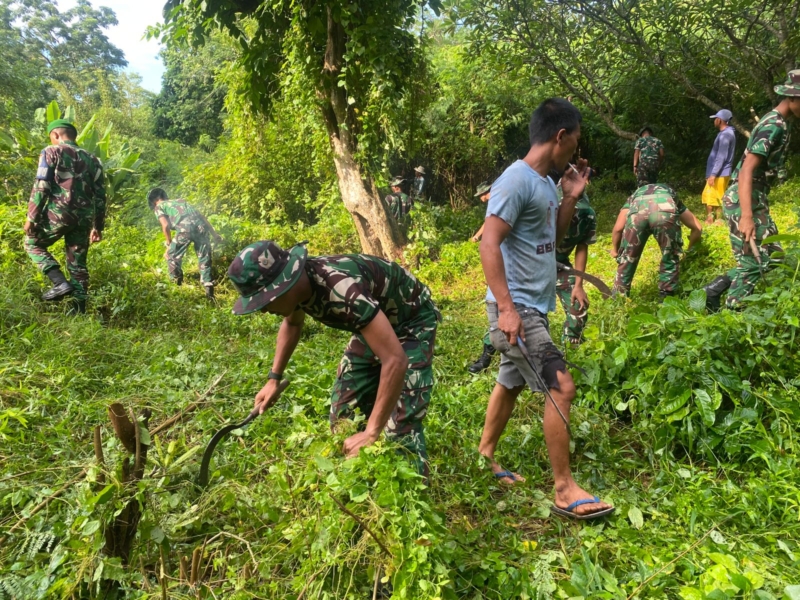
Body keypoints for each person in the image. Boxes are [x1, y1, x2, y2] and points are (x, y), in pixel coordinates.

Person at [478, 97, 614, 520]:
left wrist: (570, 197)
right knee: (561, 387)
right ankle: (564, 489)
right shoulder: (515, 180)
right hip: (517, 309)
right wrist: (506, 307)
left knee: (512, 382)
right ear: (560, 137)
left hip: (533, 305)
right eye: (573, 143)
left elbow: (550, 237)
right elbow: (489, 242)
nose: (574, 152)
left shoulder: (545, 184)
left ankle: (486, 454)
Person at [228, 241, 441, 476]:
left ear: (284, 285)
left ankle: (409, 493)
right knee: (343, 418)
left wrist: (372, 432)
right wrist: (273, 379)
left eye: (264, 301)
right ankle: (363, 474)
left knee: (399, 431)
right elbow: (292, 322)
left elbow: (395, 361)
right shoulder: (300, 285)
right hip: (371, 324)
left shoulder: (342, 291)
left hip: (410, 320)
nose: (263, 309)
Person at [703, 71, 800, 311]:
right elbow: (747, 171)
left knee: (775, 256)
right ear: (793, 98)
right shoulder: (773, 126)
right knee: (752, 262)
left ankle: (714, 289)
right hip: (743, 197)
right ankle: (732, 316)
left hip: (755, 196)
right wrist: (746, 216)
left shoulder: (779, 122)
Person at [23, 118, 107, 315]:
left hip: (58, 213)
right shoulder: (94, 160)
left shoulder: (51, 151)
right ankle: (78, 311)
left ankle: (59, 282)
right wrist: (98, 226)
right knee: (78, 264)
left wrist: (32, 217)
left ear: (56, 135)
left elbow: (41, 186)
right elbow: (101, 196)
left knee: (31, 243)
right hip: (83, 219)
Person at [611, 184, 702, 299]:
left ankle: (618, 297)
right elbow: (697, 228)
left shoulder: (635, 195)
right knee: (669, 255)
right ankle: (666, 298)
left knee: (628, 257)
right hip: (665, 210)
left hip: (637, 212)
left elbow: (618, 228)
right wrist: (688, 253)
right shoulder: (669, 193)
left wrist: (615, 250)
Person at [147, 188, 222, 300]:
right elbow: (202, 217)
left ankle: (176, 286)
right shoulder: (181, 201)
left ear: (153, 201)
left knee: (171, 256)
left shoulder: (159, 207)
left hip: (184, 230)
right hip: (201, 228)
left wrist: (168, 244)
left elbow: (165, 225)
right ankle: (209, 291)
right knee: (204, 257)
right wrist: (215, 234)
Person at [554, 172, 597, 344]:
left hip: (559, 265)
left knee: (579, 305)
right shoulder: (545, 208)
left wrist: (578, 285)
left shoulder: (587, 214)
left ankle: (570, 347)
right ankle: (489, 349)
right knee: (517, 312)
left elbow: (582, 247)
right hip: (528, 266)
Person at [468, 181, 496, 373]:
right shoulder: (494, 206)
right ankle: (487, 356)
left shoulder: (498, 202)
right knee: (495, 317)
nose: (480, 198)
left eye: (481, 195)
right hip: (498, 270)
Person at [702, 109, 737, 224]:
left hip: (720, 172)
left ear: (720, 120)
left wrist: (713, 174)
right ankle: (711, 219)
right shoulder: (724, 133)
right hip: (719, 172)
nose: (714, 121)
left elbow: (721, 157)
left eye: (715, 119)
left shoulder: (726, 135)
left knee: (717, 197)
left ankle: (717, 220)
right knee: (709, 196)